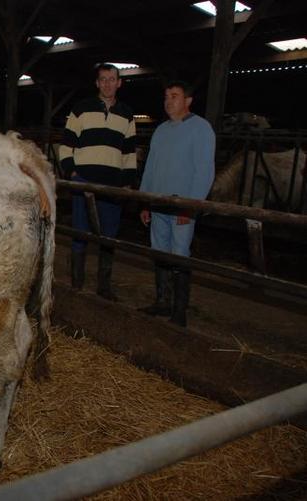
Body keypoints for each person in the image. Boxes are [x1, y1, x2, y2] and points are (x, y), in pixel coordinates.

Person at [138, 80, 215, 327]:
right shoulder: (160, 131)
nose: (168, 101)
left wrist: (190, 206)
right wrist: (145, 200)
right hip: (158, 203)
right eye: (166, 96)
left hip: (182, 206)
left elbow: (204, 172)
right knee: (160, 253)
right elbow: (150, 168)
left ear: (188, 101)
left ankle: (179, 310)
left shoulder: (201, 129)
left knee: (180, 254)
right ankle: (162, 302)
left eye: (174, 96)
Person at [59, 63, 137, 301]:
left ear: (119, 82)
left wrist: (126, 182)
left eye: (112, 79)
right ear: (97, 83)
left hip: (112, 184)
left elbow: (129, 152)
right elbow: (66, 145)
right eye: (103, 79)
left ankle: (104, 287)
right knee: (80, 232)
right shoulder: (81, 109)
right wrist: (72, 174)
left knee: (108, 236)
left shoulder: (126, 114)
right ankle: (77, 284)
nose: (107, 83)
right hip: (84, 182)